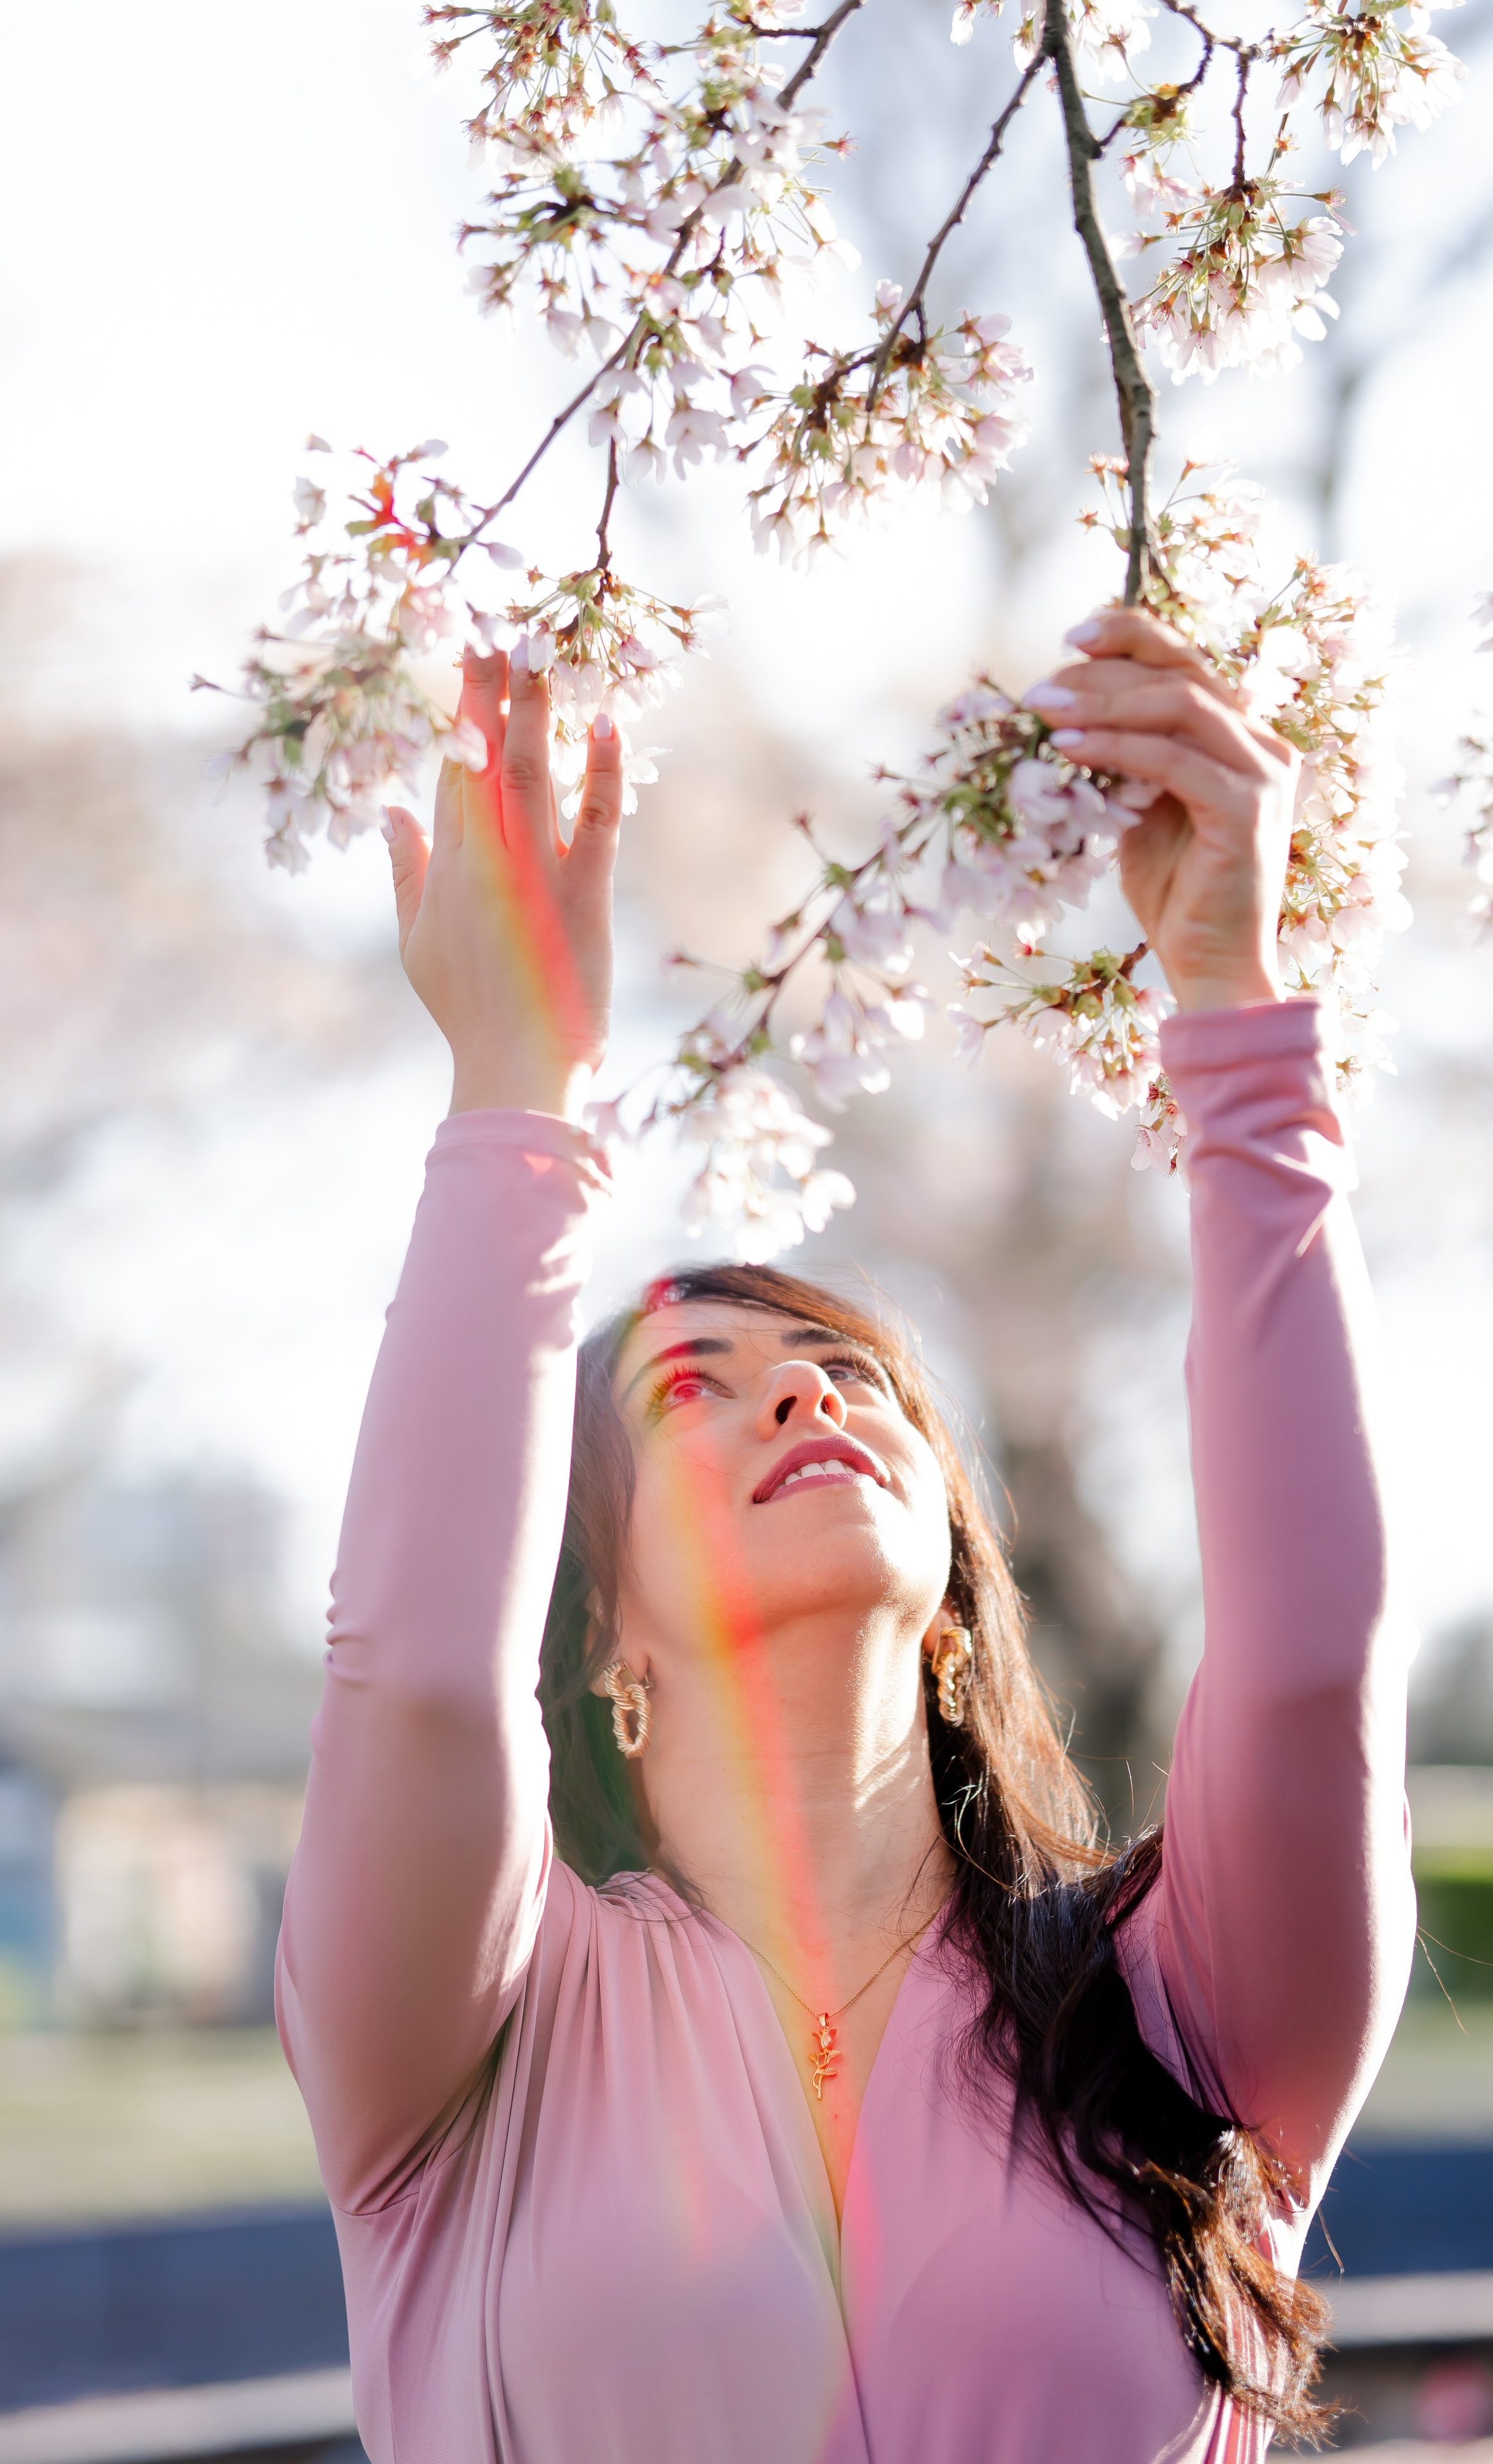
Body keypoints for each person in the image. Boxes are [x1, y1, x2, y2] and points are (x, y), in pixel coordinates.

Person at [276, 611, 1414, 2464]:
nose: (804, 1396)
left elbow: (1315, 1668)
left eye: (842, 1372)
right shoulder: (469, 2043)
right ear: (602, 1628)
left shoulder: (1176, 2010)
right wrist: (515, 1093)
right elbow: (409, 1674)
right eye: (692, 1388)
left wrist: (1234, 1009)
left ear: (959, 1594)